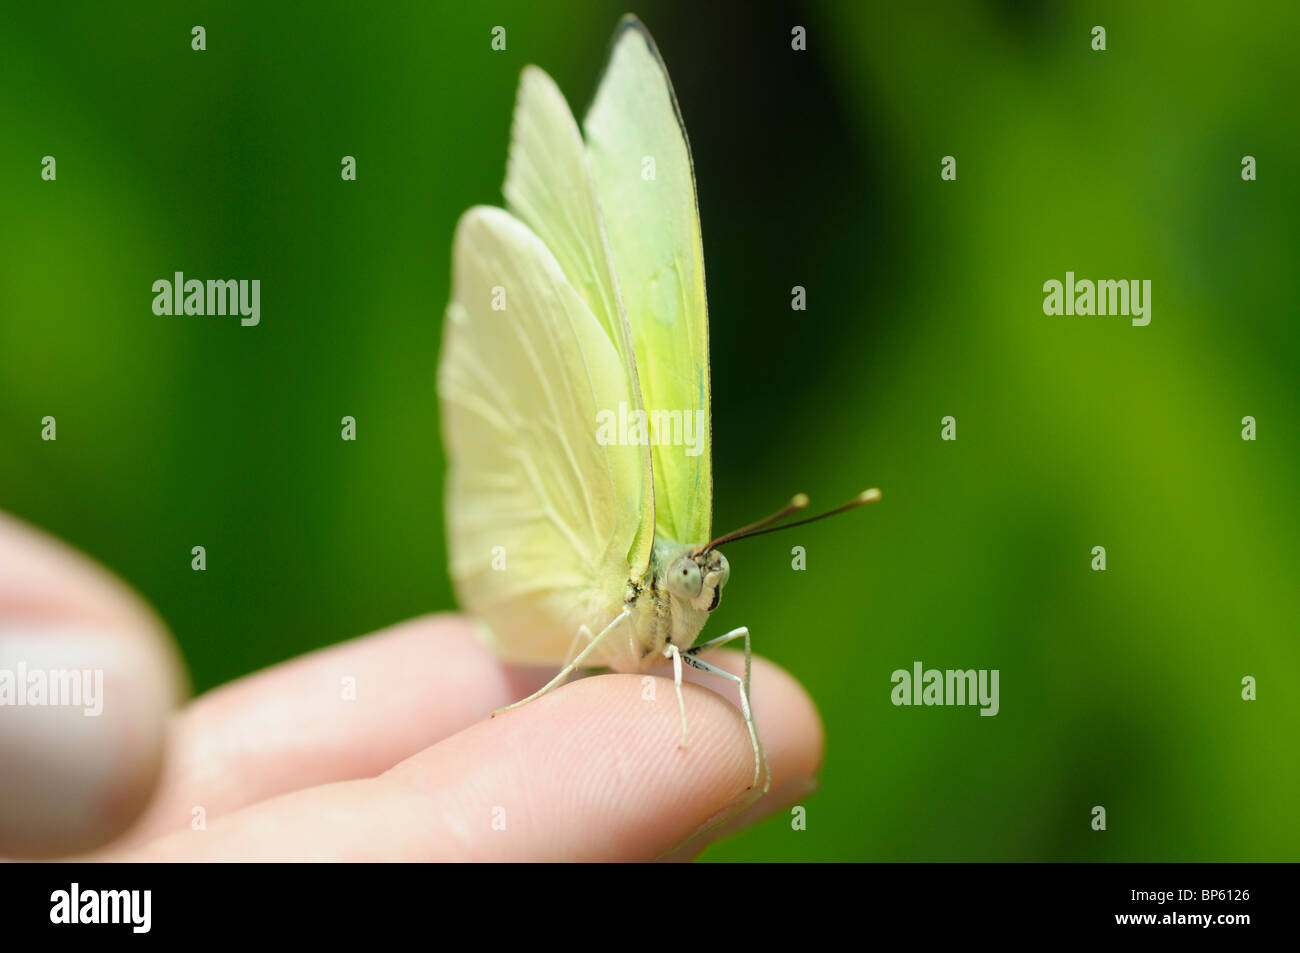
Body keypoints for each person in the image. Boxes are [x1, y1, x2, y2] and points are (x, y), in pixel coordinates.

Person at [0, 512, 822, 861]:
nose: (707, 591)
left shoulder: (701, 619)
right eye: (695, 575)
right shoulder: (645, 593)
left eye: (710, 581)